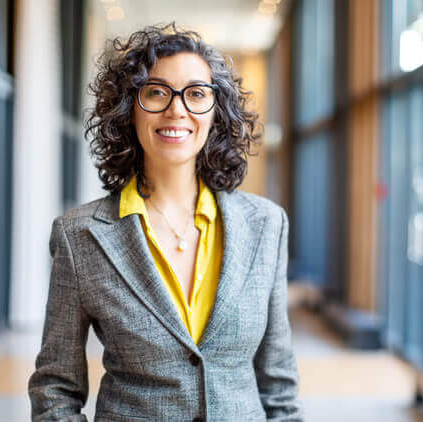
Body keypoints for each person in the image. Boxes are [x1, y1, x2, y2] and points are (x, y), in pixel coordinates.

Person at [28, 23, 302, 422]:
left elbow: (278, 385)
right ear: (129, 109)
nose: (177, 109)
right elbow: (55, 388)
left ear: (216, 112)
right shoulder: (80, 236)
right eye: (156, 92)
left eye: (196, 94)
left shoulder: (265, 226)